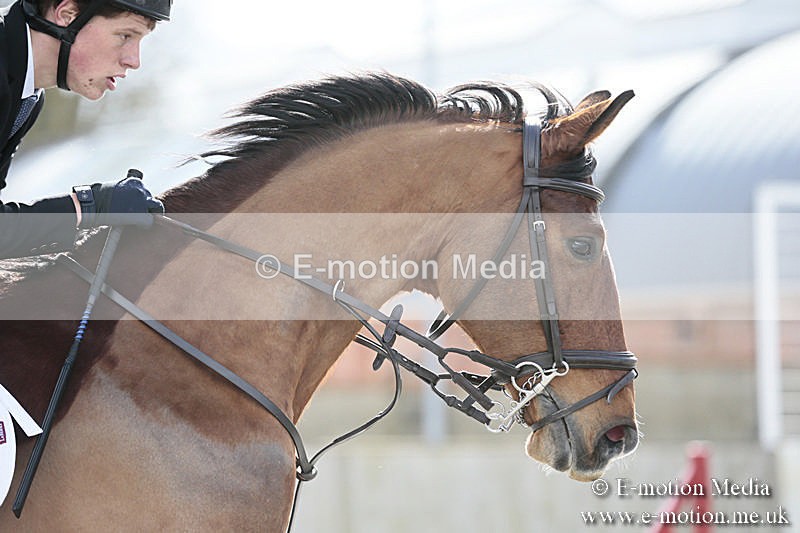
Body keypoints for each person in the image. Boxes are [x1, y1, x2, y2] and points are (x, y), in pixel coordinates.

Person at [0, 0, 170, 259]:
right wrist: (88, 206)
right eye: (124, 35)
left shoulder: (28, 97)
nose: (134, 60)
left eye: (139, 41)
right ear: (67, 15)